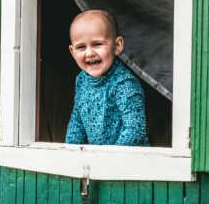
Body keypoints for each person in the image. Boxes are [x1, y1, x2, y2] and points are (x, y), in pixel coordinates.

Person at [64, 9, 149, 146]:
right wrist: (70, 152)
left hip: (128, 161)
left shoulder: (124, 84)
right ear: (72, 52)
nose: (90, 53)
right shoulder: (81, 80)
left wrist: (109, 158)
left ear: (117, 46)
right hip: (101, 160)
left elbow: (135, 130)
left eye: (97, 44)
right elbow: (77, 121)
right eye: (81, 47)